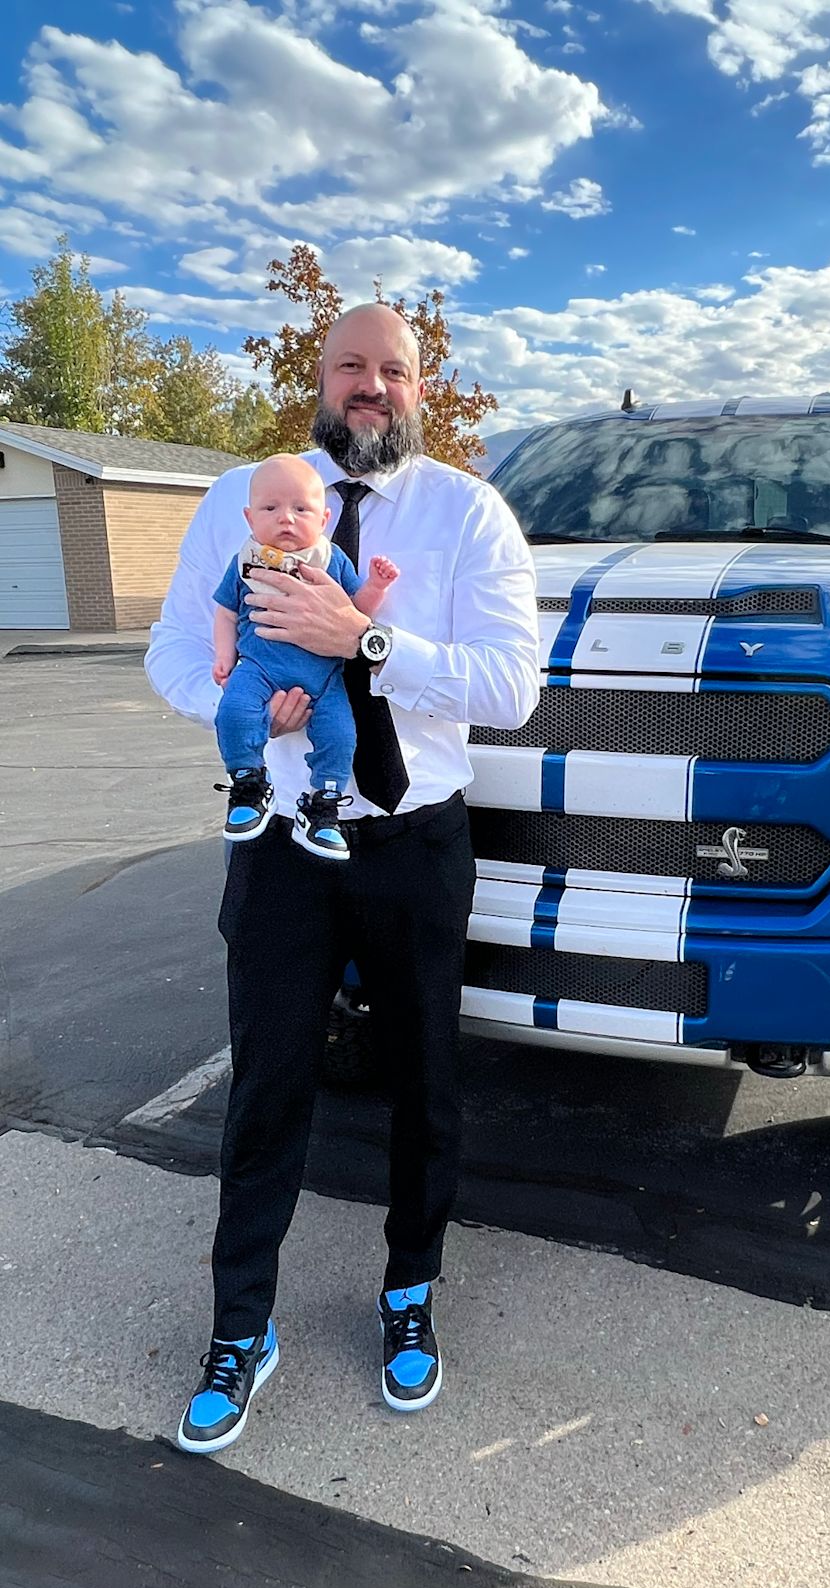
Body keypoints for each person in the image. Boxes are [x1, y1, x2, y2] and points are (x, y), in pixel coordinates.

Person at [145, 303, 540, 1455]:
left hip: (414, 840)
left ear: (426, 389)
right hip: (280, 841)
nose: (372, 387)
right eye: (351, 367)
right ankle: (241, 1326)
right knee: (268, 1079)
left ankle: (409, 1291)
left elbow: (511, 685)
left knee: (426, 1080)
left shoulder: (468, 513)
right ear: (318, 379)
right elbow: (177, 645)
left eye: (395, 371)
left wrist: (360, 640)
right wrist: (247, 712)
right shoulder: (241, 498)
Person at [213, 451, 399, 859]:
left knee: (340, 736)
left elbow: (357, 613)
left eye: (301, 509)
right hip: (258, 668)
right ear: (249, 518)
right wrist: (224, 657)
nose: (286, 518)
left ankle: (322, 808)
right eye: (270, 508)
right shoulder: (245, 561)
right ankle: (247, 784)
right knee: (233, 712)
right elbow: (226, 611)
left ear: (324, 519)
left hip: (325, 678)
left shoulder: (331, 561)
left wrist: (377, 587)